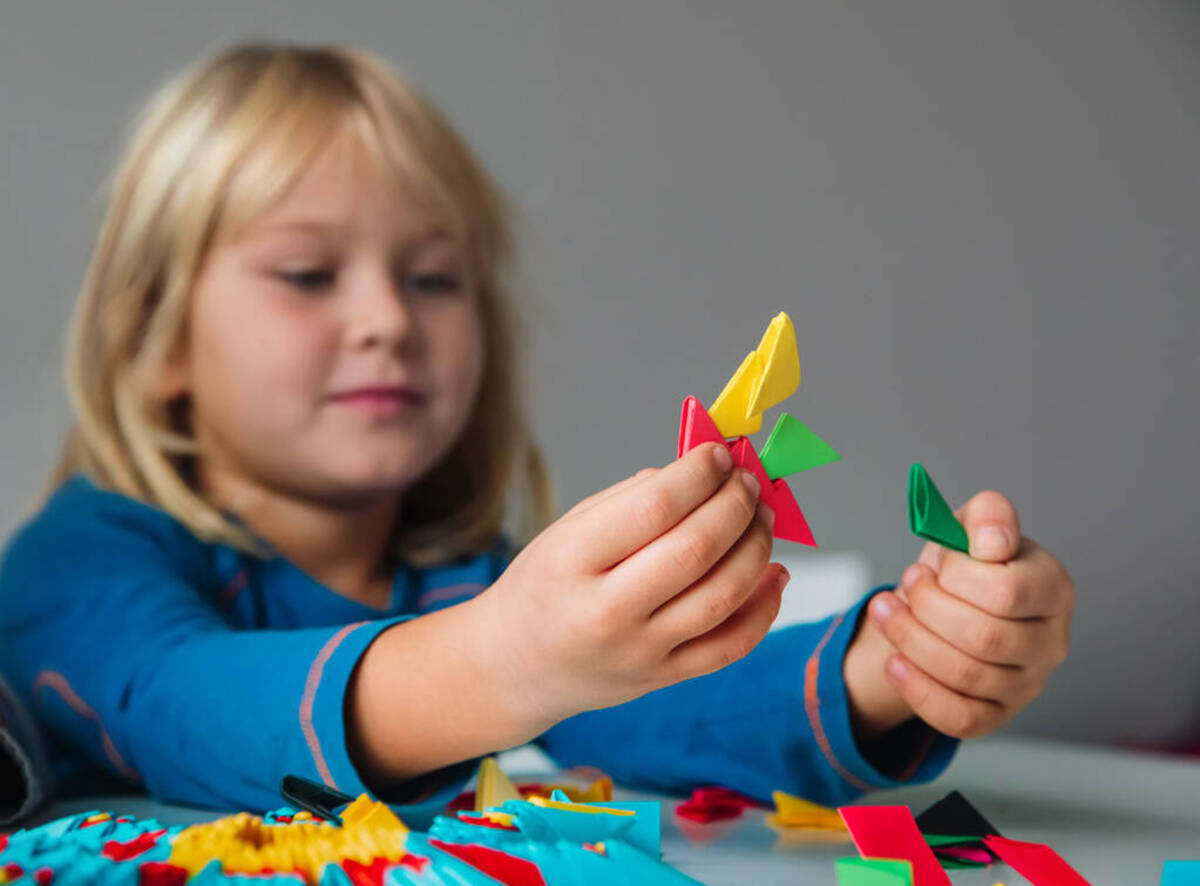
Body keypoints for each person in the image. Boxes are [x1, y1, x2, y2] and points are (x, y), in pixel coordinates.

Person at [0, 41, 1074, 826]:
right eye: (307, 274)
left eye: (432, 278)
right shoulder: (78, 561)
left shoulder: (464, 579)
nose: (386, 320)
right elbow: (170, 699)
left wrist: (898, 660)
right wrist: (506, 660)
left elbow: (662, 708)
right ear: (156, 342)